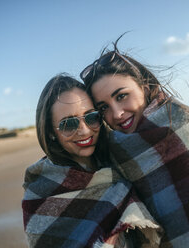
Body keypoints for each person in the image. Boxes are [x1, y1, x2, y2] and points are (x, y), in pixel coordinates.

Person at [80, 37, 189, 248]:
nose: (117, 114)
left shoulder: (183, 124)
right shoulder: (115, 149)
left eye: (122, 96)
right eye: (103, 108)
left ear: (144, 86)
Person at [22, 74, 163, 248]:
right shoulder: (40, 192)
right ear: (51, 131)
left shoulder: (122, 159)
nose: (84, 131)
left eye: (91, 117)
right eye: (69, 124)